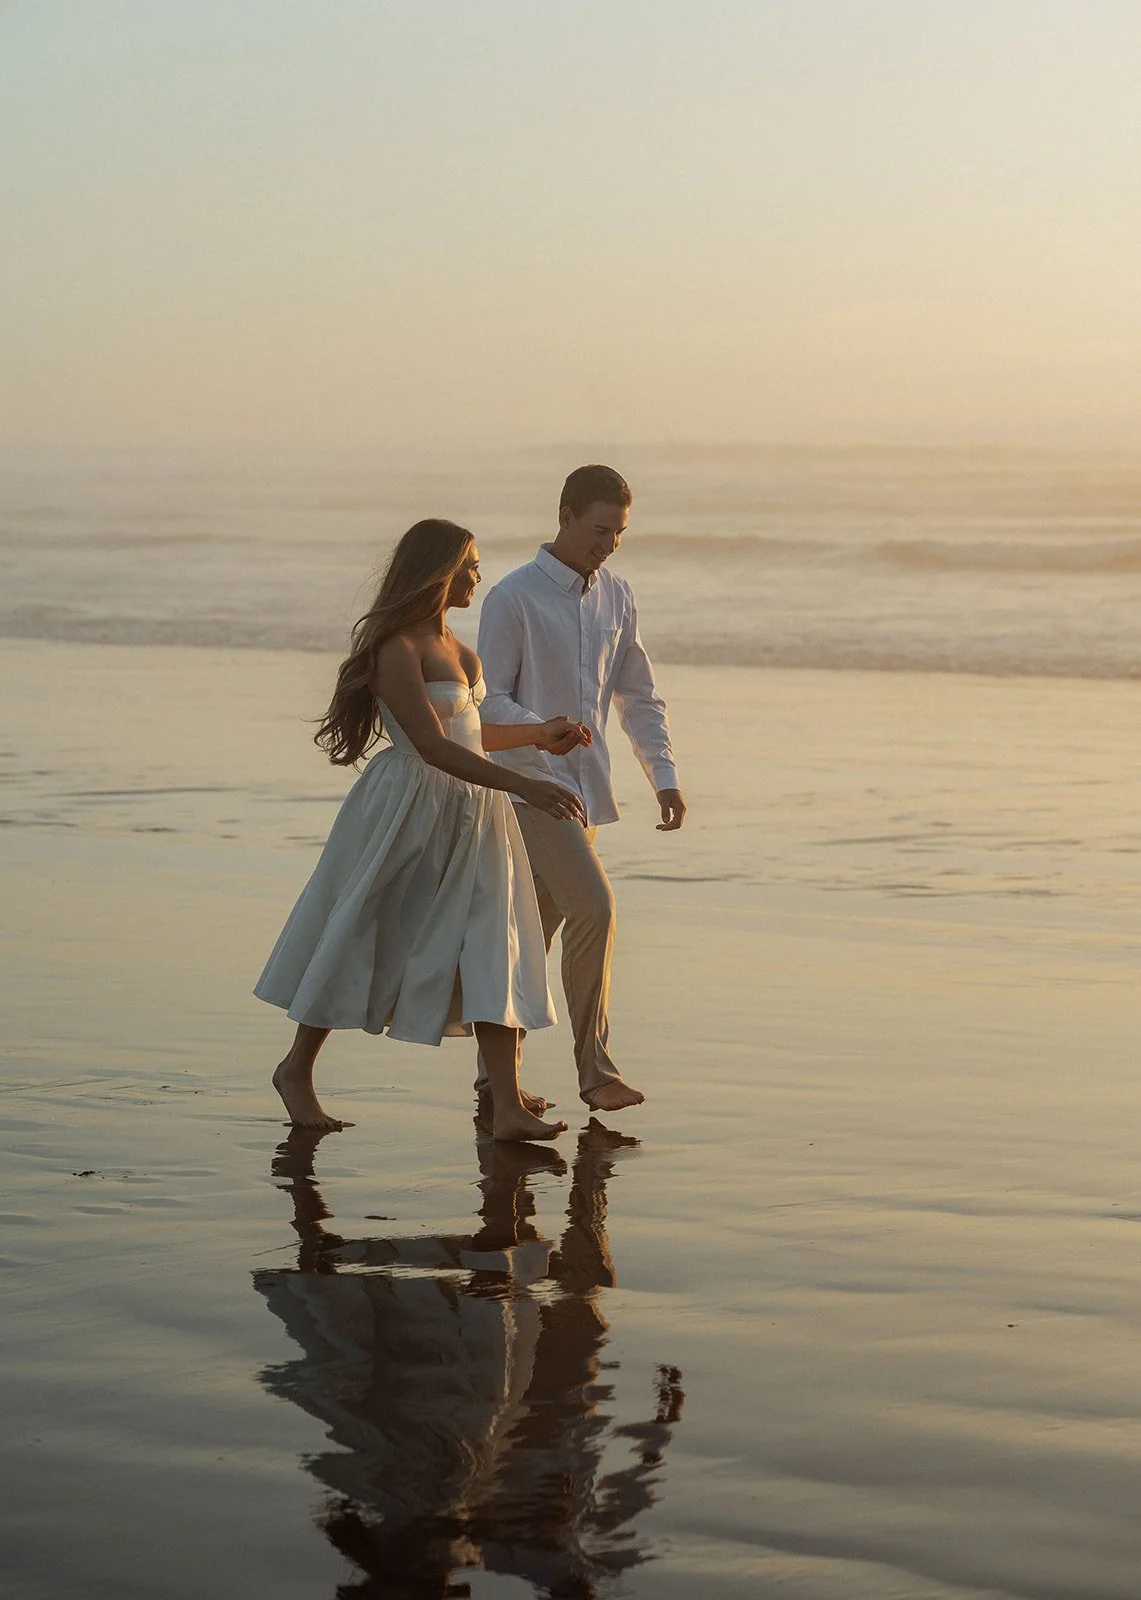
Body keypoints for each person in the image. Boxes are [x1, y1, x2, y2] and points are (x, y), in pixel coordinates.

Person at [254, 518, 591, 1142]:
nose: (478, 576)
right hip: (409, 805)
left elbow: (473, 734)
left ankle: (507, 1105)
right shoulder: (397, 649)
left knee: (492, 940)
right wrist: (525, 786)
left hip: (474, 810)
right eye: (469, 565)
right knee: (366, 928)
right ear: (438, 571)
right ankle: (295, 1068)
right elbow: (432, 746)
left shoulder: (459, 647)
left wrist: (540, 734)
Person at [477, 465, 686, 1114]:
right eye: (599, 530)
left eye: (619, 533)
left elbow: (638, 696)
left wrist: (664, 777)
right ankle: (595, 1073)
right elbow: (488, 702)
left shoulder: (616, 596)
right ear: (565, 516)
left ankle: (495, 1081)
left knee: (533, 933)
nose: (609, 544)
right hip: (528, 789)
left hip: (584, 791)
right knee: (594, 909)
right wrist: (541, 730)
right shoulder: (512, 597)